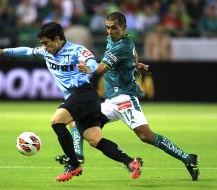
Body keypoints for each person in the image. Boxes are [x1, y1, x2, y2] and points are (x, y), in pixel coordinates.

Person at [0, 22, 143, 182]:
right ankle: (130, 162)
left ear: (58, 39)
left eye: (47, 42)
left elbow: (92, 62)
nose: (44, 47)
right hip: (81, 100)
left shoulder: (76, 50)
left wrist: (88, 68)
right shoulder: (46, 52)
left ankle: (73, 164)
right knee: (94, 139)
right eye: (42, 44)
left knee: (56, 121)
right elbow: (27, 51)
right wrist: (3, 51)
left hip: (84, 94)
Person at [55, 12, 199, 181]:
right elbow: (134, 53)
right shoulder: (115, 40)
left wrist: (88, 69)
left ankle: (188, 158)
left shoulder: (122, 45)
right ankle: (77, 158)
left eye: (114, 28)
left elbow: (101, 69)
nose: (110, 31)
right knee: (78, 120)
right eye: (107, 28)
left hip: (124, 99)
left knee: (146, 136)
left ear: (124, 27)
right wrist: (135, 65)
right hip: (110, 102)